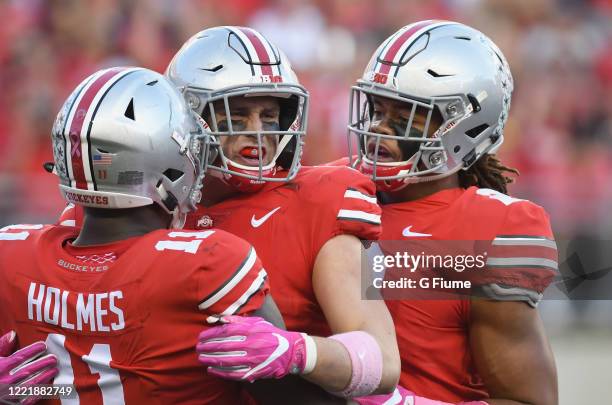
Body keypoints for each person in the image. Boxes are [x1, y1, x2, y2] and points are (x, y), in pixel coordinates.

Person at [57, 26, 400, 400]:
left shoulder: (319, 202)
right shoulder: (136, 203)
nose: (258, 134)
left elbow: (382, 361)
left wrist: (299, 352)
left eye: (269, 116)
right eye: (235, 116)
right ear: (185, 120)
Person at [0, 66, 275, 404]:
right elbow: (302, 397)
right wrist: (327, 356)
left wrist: (43, 390)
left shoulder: (11, 253)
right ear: (164, 157)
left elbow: (60, 387)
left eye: (270, 116)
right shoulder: (213, 261)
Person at [333, 20, 558, 405]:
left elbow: (529, 400)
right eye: (376, 108)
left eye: (405, 116)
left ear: (465, 126)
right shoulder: (332, 187)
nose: (377, 128)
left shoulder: (488, 230)